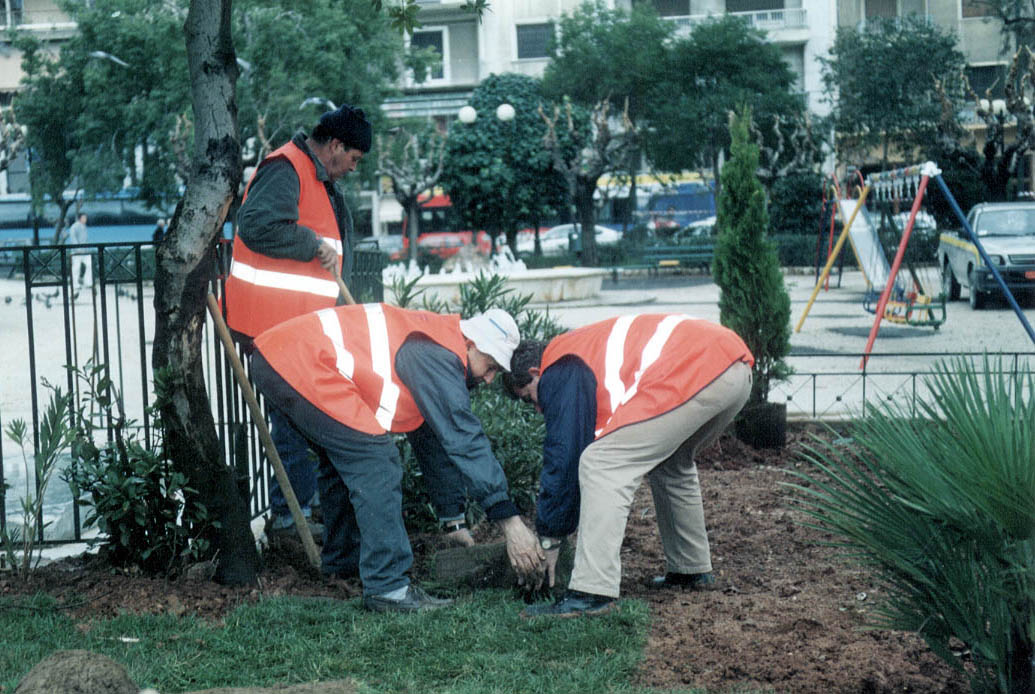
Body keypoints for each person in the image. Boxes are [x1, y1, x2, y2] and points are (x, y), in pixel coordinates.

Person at [248, 303, 544, 611]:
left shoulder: (434, 343)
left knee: (347, 460)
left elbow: (433, 441)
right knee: (377, 462)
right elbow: (464, 438)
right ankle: (388, 587)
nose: (489, 379)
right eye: (491, 366)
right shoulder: (439, 353)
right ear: (470, 343)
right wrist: (509, 521)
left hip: (282, 358)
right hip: (298, 361)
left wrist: (452, 521)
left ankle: (344, 564)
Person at [502, 313, 754, 617]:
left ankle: (592, 592)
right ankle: (690, 568)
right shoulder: (578, 350)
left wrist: (550, 537)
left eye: (530, 398)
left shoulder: (559, 364)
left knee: (602, 464)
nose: (538, 408)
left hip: (699, 369)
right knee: (671, 463)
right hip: (733, 371)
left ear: (535, 372)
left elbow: (565, 453)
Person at [223, 103, 372, 541]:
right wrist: (309, 242)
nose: (354, 167)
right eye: (354, 158)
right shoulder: (286, 168)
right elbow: (256, 226)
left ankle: (302, 507)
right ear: (336, 146)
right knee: (291, 421)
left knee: (303, 420)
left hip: (299, 326)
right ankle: (291, 517)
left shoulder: (317, 178)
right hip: (272, 325)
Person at [63, 213, 92, 294]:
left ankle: (88, 282)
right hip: (76, 252)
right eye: (84, 218)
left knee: (89, 265)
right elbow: (73, 239)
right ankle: (75, 284)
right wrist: (78, 249)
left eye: (86, 218)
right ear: (80, 218)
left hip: (85, 251)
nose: (85, 219)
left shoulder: (84, 226)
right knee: (76, 268)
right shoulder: (74, 227)